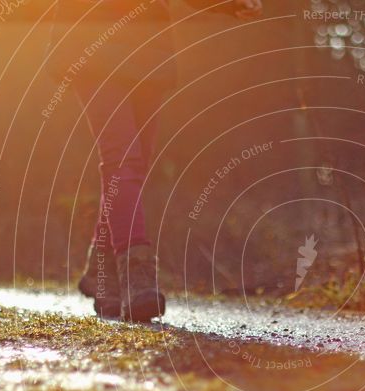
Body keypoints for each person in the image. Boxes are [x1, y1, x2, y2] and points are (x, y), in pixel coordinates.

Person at [45, 0, 262, 321]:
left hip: (146, 49)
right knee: (123, 160)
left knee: (136, 165)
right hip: (91, 43)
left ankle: (103, 275)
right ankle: (137, 278)